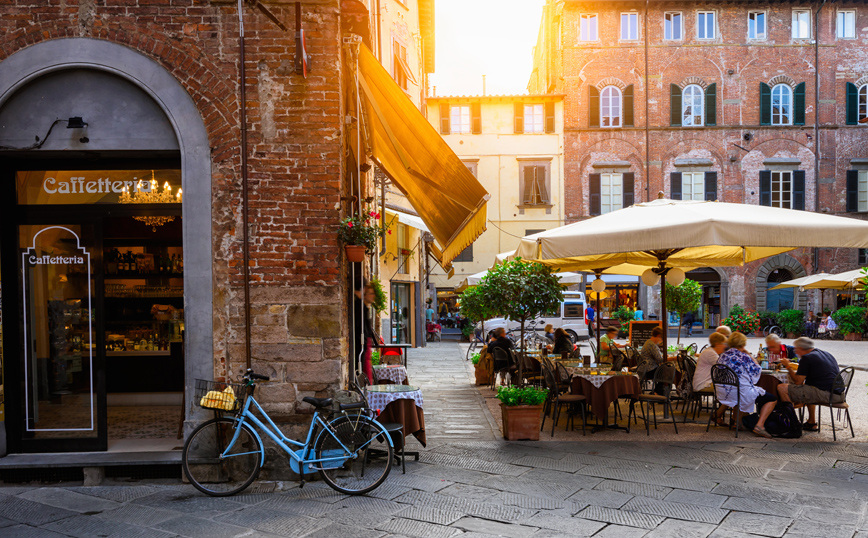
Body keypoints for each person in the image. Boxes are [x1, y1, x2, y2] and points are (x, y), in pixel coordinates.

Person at [773, 337, 844, 432]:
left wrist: (788, 366)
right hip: (839, 393)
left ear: (802, 348)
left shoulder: (807, 358)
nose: (796, 352)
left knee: (782, 388)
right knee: (808, 386)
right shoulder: (826, 354)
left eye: (796, 349)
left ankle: (793, 424)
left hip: (828, 394)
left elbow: (798, 382)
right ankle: (811, 422)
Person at [713, 332, 769, 432]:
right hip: (739, 393)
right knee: (771, 399)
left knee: (740, 387)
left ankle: (737, 422)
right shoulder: (744, 357)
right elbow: (757, 371)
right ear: (743, 344)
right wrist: (748, 354)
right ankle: (759, 425)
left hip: (723, 392)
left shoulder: (722, 356)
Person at [352, 283, 378, 385]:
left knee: (367, 373)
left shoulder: (364, 308)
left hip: (365, 344)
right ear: (364, 294)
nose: (373, 296)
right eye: (371, 293)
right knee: (365, 373)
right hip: (362, 344)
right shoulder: (360, 307)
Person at [637, 326, 675, 393]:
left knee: (666, 371)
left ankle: (658, 392)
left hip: (645, 369)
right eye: (662, 338)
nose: (662, 341)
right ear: (658, 336)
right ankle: (657, 393)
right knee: (668, 373)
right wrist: (674, 358)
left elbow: (657, 356)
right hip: (649, 370)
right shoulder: (652, 345)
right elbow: (660, 359)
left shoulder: (649, 342)